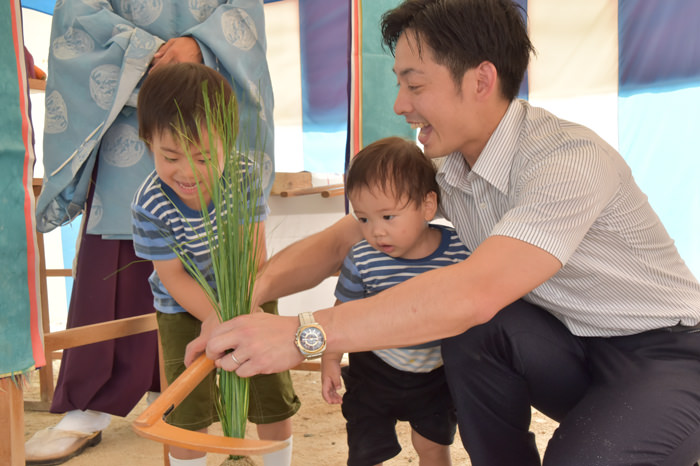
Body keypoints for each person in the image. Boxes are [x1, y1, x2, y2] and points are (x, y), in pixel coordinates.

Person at [187, 0, 700, 465]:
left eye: (415, 85)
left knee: (577, 453)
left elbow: (473, 292)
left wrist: (304, 333)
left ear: (480, 81)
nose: (400, 105)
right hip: (569, 347)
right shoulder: (450, 170)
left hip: (666, 356)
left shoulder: (567, 159)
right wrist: (237, 302)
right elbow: (346, 237)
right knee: (477, 336)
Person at [27, 1, 277, 464]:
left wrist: (201, 45)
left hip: (207, 83)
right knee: (116, 253)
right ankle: (89, 401)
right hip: (128, 104)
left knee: (225, 256)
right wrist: (143, 49)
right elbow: (80, 14)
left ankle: (198, 396)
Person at [130, 62, 298, 466]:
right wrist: (212, 316)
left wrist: (238, 311)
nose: (187, 172)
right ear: (148, 141)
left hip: (249, 294)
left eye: (204, 157)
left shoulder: (243, 176)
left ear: (228, 141)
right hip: (184, 309)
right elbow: (171, 276)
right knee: (186, 410)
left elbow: (254, 257)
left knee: (269, 395)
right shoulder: (149, 203)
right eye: (170, 156)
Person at [322, 137, 468, 466]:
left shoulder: (460, 251)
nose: (376, 232)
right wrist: (330, 359)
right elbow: (341, 314)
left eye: (388, 217)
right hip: (375, 371)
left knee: (432, 445)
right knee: (365, 449)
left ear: (427, 206)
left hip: (437, 373)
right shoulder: (362, 258)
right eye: (363, 219)